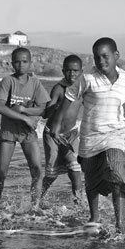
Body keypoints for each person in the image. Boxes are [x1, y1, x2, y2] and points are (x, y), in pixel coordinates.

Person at [51, 38, 125, 234]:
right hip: (90, 137)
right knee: (92, 179)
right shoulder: (87, 79)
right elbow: (68, 99)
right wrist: (55, 125)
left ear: (116, 56)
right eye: (97, 57)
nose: (101, 61)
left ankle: (119, 223)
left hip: (115, 136)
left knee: (115, 170)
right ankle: (95, 217)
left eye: (105, 56)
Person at [0, 47, 50, 212]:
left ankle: (35, 207)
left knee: (38, 170)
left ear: (30, 63)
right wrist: (23, 118)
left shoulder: (35, 83)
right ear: (12, 64)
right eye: (17, 62)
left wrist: (24, 111)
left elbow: (43, 109)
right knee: (1, 172)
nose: (21, 65)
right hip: (9, 132)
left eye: (24, 61)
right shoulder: (8, 81)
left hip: (28, 133)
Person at [41, 55, 84, 204]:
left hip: (71, 134)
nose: (72, 74)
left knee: (75, 169)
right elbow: (46, 113)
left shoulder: (82, 89)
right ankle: (36, 199)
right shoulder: (59, 89)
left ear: (81, 71)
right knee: (52, 173)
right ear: (63, 71)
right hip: (52, 134)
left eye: (75, 71)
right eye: (68, 71)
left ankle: (79, 203)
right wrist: (56, 107)